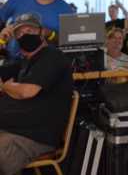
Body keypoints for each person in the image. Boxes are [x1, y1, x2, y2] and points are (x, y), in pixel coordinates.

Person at [0, 13, 73, 175]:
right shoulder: (24, 62)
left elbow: (27, 91)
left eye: (30, 30)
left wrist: (6, 87)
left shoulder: (52, 57)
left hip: (33, 137)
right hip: (13, 129)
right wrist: (0, 42)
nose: (25, 35)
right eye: (19, 33)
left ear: (41, 32)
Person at [0, 0, 74, 59]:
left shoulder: (66, 9)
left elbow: (69, 40)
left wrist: (51, 34)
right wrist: (2, 37)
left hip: (47, 64)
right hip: (13, 60)